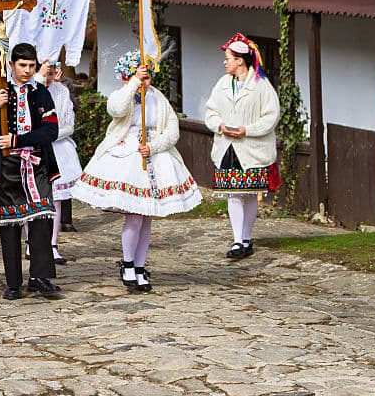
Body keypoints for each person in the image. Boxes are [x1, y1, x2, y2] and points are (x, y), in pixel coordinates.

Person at [71, 52, 201, 292]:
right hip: (128, 154)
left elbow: (173, 131)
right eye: (140, 75)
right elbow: (116, 109)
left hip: (153, 153)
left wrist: (154, 146)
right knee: (134, 214)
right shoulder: (124, 95)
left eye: (148, 75)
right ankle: (128, 263)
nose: (146, 80)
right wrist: (134, 84)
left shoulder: (159, 99)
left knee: (147, 215)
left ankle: (140, 266)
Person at [0, 42, 61, 301]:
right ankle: (13, 282)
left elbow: (51, 130)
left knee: (42, 219)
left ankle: (39, 277)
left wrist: (17, 140)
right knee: (11, 225)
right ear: (11, 65)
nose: (26, 70)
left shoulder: (41, 93)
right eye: (22, 65)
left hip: (36, 164)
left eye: (31, 66)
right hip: (7, 168)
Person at [203, 33, 281, 260]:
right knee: (234, 194)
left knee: (248, 194)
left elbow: (271, 116)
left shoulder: (261, 86)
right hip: (228, 147)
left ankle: (246, 238)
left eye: (228, 57)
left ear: (240, 60)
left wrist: (247, 129)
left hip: (251, 148)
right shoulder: (222, 84)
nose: (224, 61)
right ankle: (238, 240)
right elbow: (211, 111)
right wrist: (220, 125)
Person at [38, 61, 80, 265]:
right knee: (35, 198)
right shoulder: (29, 89)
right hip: (34, 148)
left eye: (51, 74)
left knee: (56, 198)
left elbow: (68, 124)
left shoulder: (61, 92)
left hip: (57, 147)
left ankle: (53, 244)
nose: (48, 78)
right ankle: (33, 242)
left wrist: (50, 135)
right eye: (44, 73)